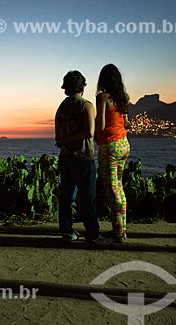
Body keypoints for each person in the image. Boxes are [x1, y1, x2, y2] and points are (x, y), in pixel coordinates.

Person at [55, 70, 114, 246]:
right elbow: (89, 132)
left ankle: (67, 231)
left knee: (66, 198)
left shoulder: (61, 108)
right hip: (83, 157)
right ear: (82, 86)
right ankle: (93, 235)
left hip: (65, 157)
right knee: (87, 199)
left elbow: (59, 137)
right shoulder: (86, 105)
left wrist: (65, 140)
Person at [95, 64, 131, 243]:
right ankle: (121, 229)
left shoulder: (102, 97)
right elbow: (125, 122)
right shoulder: (123, 98)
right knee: (119, 186)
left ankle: (118, 233)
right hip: (124, 144)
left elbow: (101, 126)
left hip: (109, 146)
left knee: (111, 190)